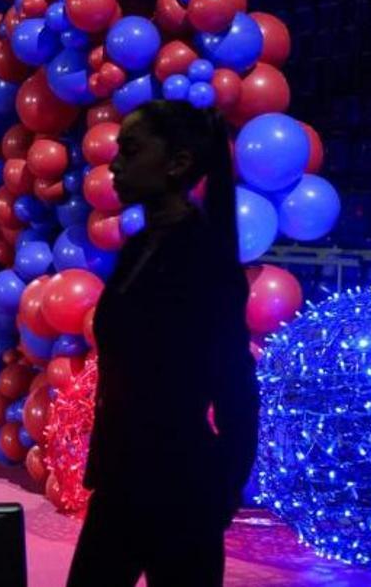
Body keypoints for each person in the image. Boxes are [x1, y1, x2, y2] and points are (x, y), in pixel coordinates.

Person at [67, 100, 260, 587]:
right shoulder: (139, 247)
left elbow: (234, 385)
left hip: (182, 485)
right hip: (122, 479)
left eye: (130, 150)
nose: (115, 164)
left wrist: (224, 487)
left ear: (178, 164)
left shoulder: (203, 258)